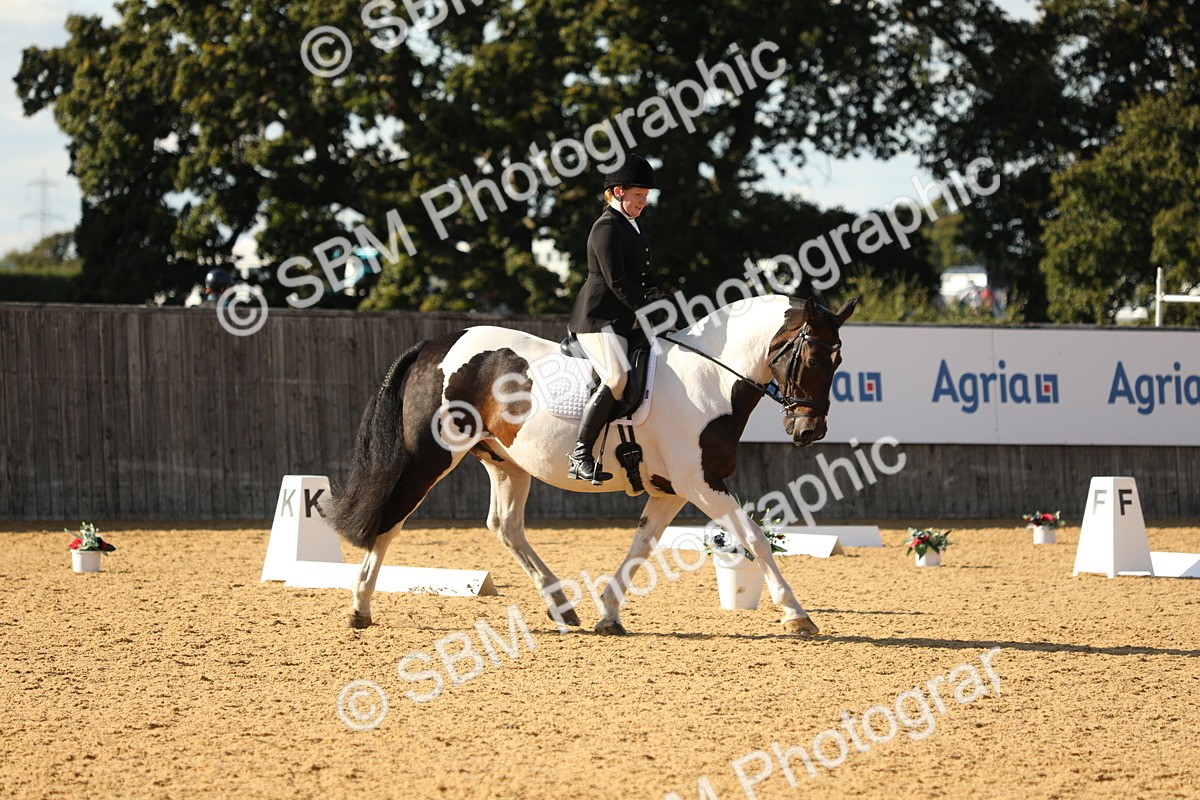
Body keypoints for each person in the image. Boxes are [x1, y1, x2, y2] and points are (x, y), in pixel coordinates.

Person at [566, 154, 676, 483]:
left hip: (622, 319)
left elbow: (642, 278)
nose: (643, 202)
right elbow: (616, 281)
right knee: (616, 378)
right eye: (638, 196)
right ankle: (580, 454)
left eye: (645, 197)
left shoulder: (633, 224)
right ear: (617, 192)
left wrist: (666, 301)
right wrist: (647, 309)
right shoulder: (606, 227)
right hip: (598, 317)